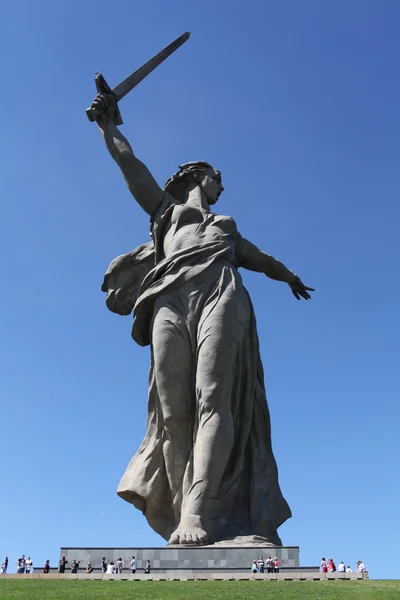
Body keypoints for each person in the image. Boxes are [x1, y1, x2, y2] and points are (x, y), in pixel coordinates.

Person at [92, 92, 314, 547]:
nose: (222, 186)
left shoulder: (227, 226)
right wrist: (107, 126)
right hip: (170, 300)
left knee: (215, 397)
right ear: (197, 175)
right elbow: (131, 168)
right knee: (172, 413)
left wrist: (289, 276)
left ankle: (198, 511)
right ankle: (178, 511)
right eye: (218, 178)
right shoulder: (167, 214)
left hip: (222, 296)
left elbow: (260, 258)